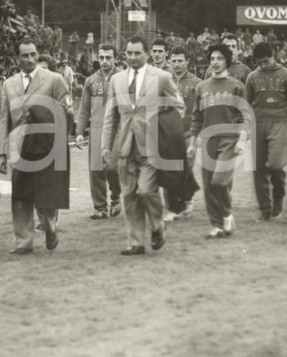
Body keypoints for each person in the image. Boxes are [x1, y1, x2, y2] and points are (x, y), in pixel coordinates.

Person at [101, 36, 184, 255]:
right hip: (125, 145)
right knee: (129, 194)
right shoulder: (116, 80)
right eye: (129, 53)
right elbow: (110, 116)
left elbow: (179, 107)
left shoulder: (162, 77)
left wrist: (160, 122)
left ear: (147, 54)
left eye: (137, 53)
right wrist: (106, 146)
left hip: (153, 145)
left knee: (146, 190)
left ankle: (157, 226)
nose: (132, 57)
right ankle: (135, 242)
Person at [0, 38, 73, 254]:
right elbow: (4, 119)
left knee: (46, 194)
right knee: (20, 195)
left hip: (47, 145)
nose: (30, 59)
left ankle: (50, 226)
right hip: (20, 146)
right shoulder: (8, 84)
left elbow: (68, 111)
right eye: (25, 55)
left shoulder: (54, 79)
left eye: (33, 54)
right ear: (17, 58)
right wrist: (2, 151)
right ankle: (23, 242)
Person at [188, 43, 249, 239]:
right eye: (212, 59)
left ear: (227, 61)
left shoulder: (237, 86)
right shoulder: (201, 87)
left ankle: (227, 214)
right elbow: (197, 117)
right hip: (208, 139)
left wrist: (242, 139)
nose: (215, 62)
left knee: (220, 181)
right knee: (208, 184)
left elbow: (245, 116)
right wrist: (192, 142)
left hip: (230, 139)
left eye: (219, 58)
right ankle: (216, 225)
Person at [245, 42, 287, 221]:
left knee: (276, 165)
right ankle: (265, 209)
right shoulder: (252, 77)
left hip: (279, 123)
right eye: (259, 62)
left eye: (266, 61)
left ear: (274, 55)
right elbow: (246, 107)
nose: (263, 65)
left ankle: (278, 197)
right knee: (258, 168)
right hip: (257, 124)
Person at [75, 43, 121, 221]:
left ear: (115, 58)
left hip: (117, 129)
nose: (104, 61)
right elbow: (84, 109)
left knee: (113, 168)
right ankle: (100, 207)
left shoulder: (124, 78)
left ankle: (116, 196)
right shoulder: (91, 81)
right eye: (101, 58)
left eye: (108, 57)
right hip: (96, 129)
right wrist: (80, 132)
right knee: (96, 169)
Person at [168, 46, 202, 219]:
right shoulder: (165, 80)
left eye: (180, 60)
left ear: (188, 61)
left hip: (189, 132)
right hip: (169, 132)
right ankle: (177, 204)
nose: (176, 64)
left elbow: (201, 110)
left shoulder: (197, 83)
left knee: (186, 166)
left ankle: (186, 201)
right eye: (173, 61)